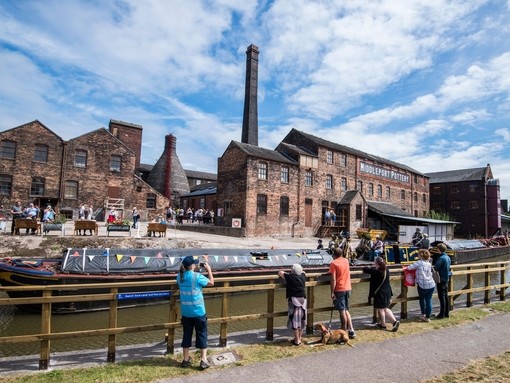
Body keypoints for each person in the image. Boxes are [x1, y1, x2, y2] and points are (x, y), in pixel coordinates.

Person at [177, 256, 214, 370]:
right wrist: (209, 270)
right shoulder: (198, 276)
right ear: (193, 266)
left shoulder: (179, 277)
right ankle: (203, 360)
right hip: (198, 312)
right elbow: (211, 283)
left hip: (186, 312)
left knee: (187, 334)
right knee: (202, 333)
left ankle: (186, 359)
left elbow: (187, 279)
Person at [363, 257, 400, 331]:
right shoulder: (387, 270)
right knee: (386, 308)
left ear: (376, 263)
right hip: (387, 292)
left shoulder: (376, 271)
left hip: (380, 293)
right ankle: (394, 322)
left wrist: (369, 266)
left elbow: (365, 269)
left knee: (381, 309)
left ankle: (383, 324)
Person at [329, 248, 356, 339]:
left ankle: (343, 330)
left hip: (339, 288)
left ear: (334, 254)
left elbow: (333, 279)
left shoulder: (333, 263)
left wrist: (332, 292)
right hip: (348, 287)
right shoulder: (346, 261)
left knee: (342, 311)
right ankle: (351, 330)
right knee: (346, 309)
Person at [278, 264, 307, 346]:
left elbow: (280, 272)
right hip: (303, 299)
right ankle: (299, 337)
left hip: (294, 300)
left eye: (291, 270)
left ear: (293, 271)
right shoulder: (303, 276)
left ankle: (297, 340)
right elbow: (304, 272)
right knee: (302, 319)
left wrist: (288, 272)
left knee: (294, 319)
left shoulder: (290, 277)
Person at [404, 249, 436, 322]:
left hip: (422, 285)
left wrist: (404, 268)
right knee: (429, 300)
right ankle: (427, 317)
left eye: (418, 254)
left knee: (422, 299)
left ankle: (423, 314)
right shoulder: (429, 263)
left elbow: (409, 268)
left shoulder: (419, 262)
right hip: (431, 284)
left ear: (421, 255)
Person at [433, 243, 451, 319]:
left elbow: (436, 268)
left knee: (441, 296)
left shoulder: (441, 258)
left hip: (441, 279)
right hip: (446, 278)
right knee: (446, 295)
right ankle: (447, 312)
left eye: (437, 249)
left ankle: (442, 314)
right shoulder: (448, 257)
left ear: (439, 249)